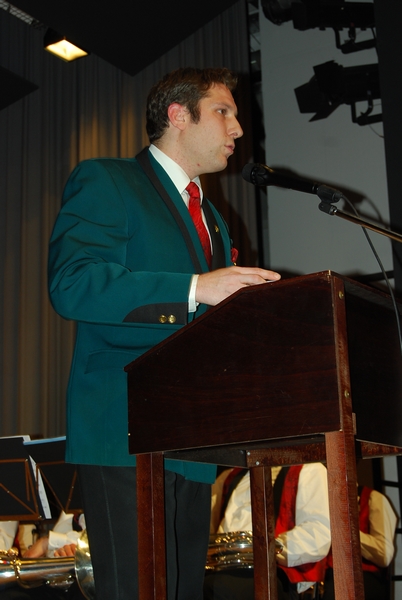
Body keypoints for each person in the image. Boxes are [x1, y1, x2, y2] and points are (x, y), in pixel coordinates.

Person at [47, 66, 281, 600]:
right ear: (178, 115)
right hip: (124, 426)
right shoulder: (107, 180)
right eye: (223, 112)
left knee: (180, 591)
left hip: (191, 437)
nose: (238, 128)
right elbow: (73, 284)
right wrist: (196, 287)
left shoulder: (213, 218)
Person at [204, 464, 331, 600]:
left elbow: (318, 534)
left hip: (275, 575)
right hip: (221, 570)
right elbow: (205, 530)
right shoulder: (227, 476)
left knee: (219, 588)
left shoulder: (310, 470)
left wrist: (266, 549)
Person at [322, 485, 397, 600]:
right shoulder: (322, 499)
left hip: (362, 581)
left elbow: (384, 553)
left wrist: (344, 530)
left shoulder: (373, 498)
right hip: (328, 578)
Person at [0, 513, 86, 600]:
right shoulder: (69, 513)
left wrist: (47, 542)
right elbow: (54, 552)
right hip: (61, 580)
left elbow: (93, 537)